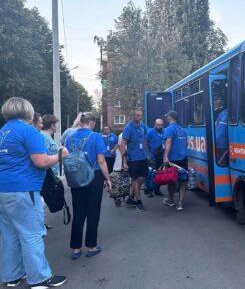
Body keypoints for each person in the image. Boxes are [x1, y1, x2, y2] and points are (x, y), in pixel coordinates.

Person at [0, 97, 68, 288]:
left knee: (10, 234)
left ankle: (12, 276)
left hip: (3, 190)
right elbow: (41, 161)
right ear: (27, 112)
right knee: (32, 234)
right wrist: (60, 155)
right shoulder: (28, 131)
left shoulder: (3, 132)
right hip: (23, 189)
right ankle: (40, 278)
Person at [65, 112, 112, 260]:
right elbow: (101, 161)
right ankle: (91, 246)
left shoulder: (69, 138)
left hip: (76, 178)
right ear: (91, 123)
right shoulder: (96, 136)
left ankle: (76, 249)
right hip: (93, 177)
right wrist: (108, 178)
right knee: (93, 212)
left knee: (78, 213)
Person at [120, 110, 148, 212]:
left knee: (143, 177)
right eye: (138, 115)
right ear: (133, 116)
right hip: (133, 158)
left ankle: (132, 196)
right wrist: (124, 161)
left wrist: (147, 153)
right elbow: (122, 145)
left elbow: (145, 139)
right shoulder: (128, 128)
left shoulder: (142, 126)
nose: (140, 117)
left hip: (143, 157)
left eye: (141, 115)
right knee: (135, 179)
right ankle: (138, 201)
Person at [162, 110, 188, 211]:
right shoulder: (182, 130)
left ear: (170, 117)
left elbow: (168, 142)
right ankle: (180, 204)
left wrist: (165, 156)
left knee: (171, 180)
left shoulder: (169, 129)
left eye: (167, 116)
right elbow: (186, 143)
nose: (166, 118)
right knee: (183, 182)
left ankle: (171, 200)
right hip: (183, 158)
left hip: (173, 160)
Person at [145, 118, 165, 197]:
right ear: (155, 125)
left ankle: (157, 189)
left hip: (161, 156)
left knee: (159, 173)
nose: (160, 126)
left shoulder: (164, 131)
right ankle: (149, 190)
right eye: (158, 125)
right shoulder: (150, 132)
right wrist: (148, 155)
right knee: (151, 174)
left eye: (161, 125)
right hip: (153, 156)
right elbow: (146, 143)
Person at [214, 98, 228, 166]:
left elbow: (216, 125)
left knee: (219, 158)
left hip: (216, 139)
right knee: (223, 161)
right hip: (223, 142)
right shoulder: (232, 114)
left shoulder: (221, 113)